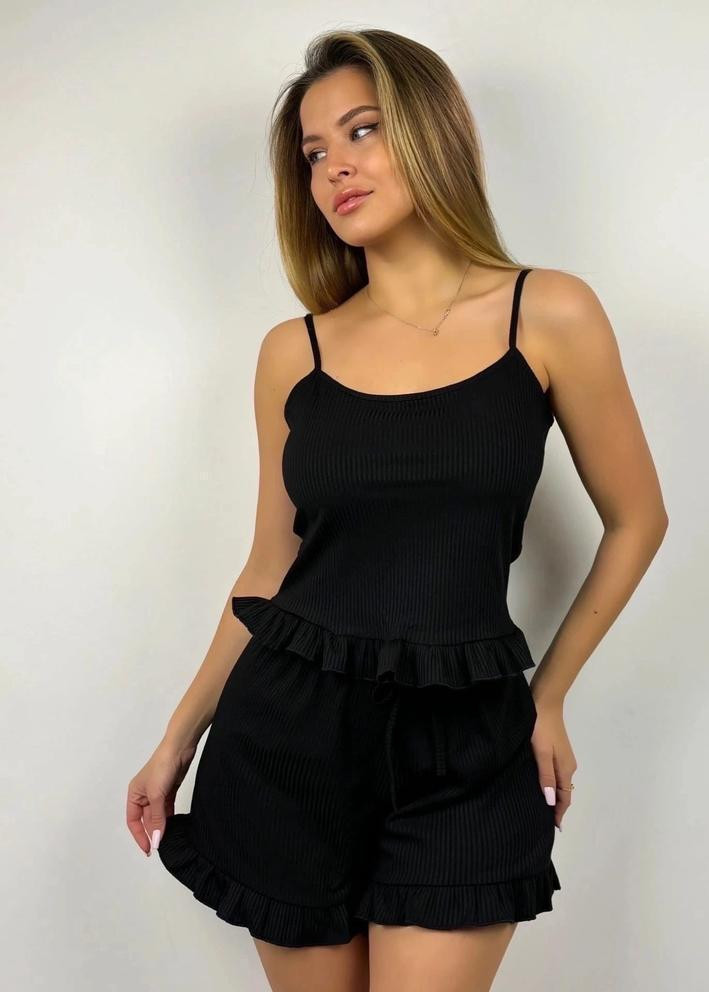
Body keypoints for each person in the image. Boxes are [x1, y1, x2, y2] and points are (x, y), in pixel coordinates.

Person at [126, 28, 668, 992]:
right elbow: (268, 569)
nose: (334, 167)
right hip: (286, 745)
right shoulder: (294, 353)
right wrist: (178, 737)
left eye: (361, 130)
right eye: (313, 153)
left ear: (429, 131)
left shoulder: (548, 313)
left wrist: (548, 696)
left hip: (468, 751)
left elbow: (638, 520)